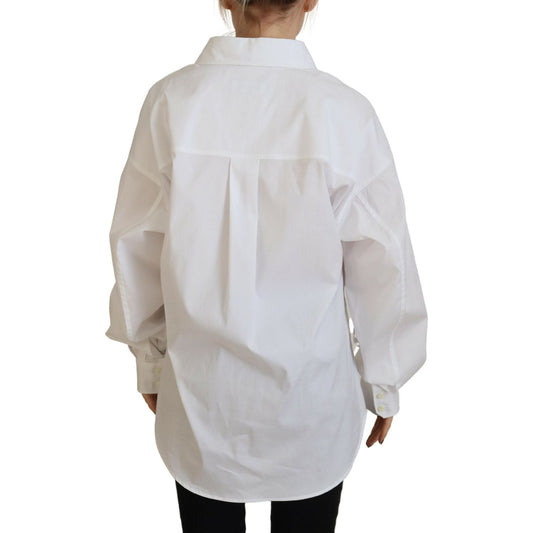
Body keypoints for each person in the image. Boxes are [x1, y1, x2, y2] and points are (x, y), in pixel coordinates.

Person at [104, 0, 428, 531]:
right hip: (312, 405)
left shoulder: (172, 103)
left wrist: (149, 360)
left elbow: (135, 244)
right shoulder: (344, 113)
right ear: (310, 0)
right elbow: (383, 262)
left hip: (201, 399)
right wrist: (384, 380)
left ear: (225, 0)